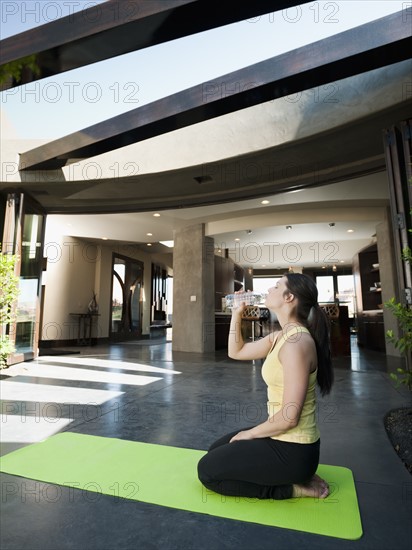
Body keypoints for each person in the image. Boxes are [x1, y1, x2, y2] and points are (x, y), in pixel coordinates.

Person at [197, 273, 334, 500]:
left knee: (208, 472)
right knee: (216, 451)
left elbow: (290, 417)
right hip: (281, 438)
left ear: (289, 297)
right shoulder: (281, 336)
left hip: (294, 451)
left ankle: (295, 487)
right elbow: (236, 351)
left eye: (276, 285)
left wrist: (250, 433)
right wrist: (236, 313)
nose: (270, 289)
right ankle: (294, 475)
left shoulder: (296, 344)